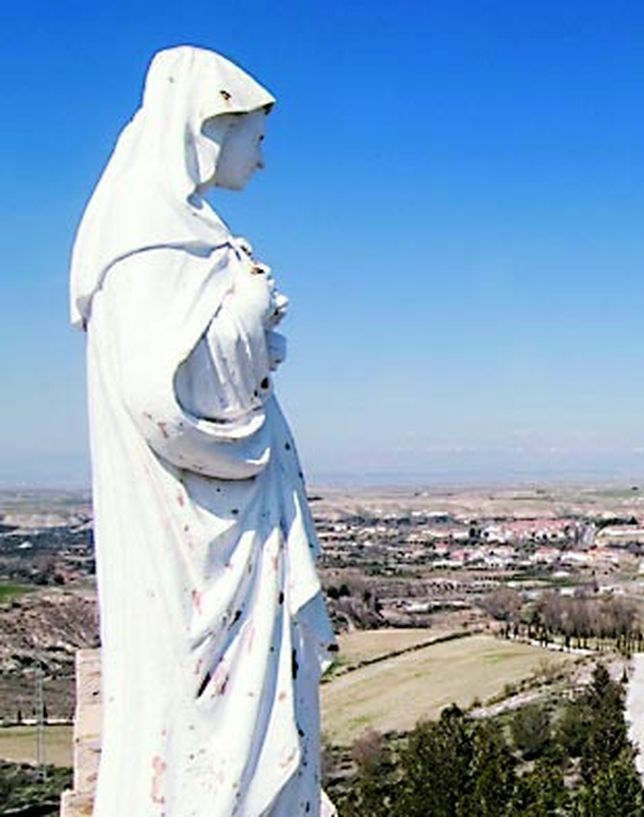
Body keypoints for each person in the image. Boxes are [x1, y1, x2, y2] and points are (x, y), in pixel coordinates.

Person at [69, 45, 336, 816]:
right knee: (210, 714)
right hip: (200, 525)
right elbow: (166, 404)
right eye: (255, 135)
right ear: (208, 126)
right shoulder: (145, 241)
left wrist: (250, 310)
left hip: (232, 516)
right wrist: (250, 310)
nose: (263, 156)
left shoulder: (189, 235)